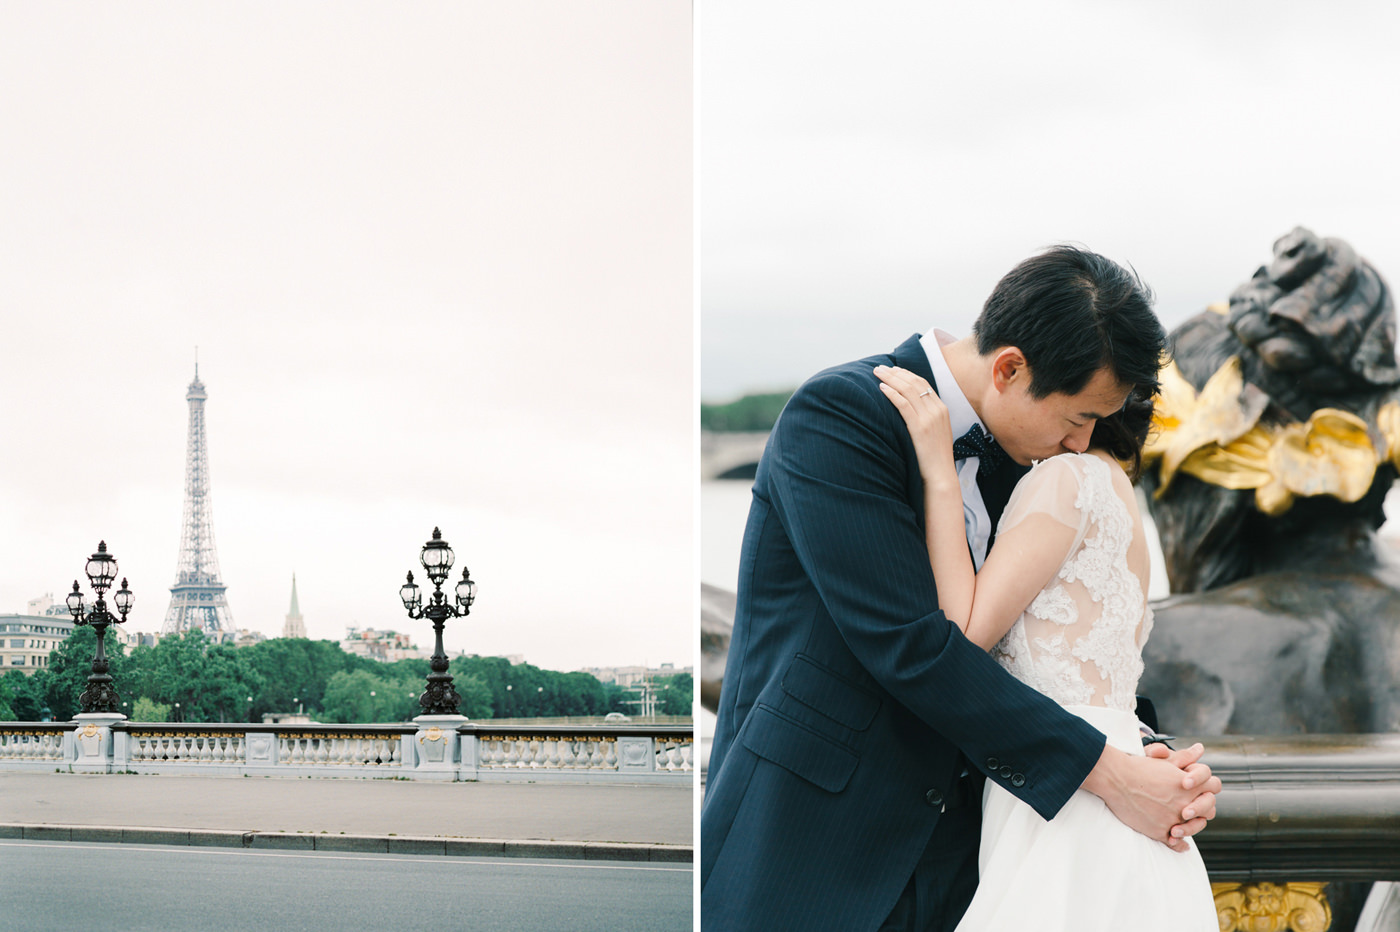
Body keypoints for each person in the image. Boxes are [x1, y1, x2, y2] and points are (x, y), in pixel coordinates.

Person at [701, 245, 1220, 932]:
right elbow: (912, 647)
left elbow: (1061, 633)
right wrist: (1111, 774)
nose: (1082, 443)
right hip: (816, 848)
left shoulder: (1043, 466)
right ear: (1010, 368)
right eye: (1075, 419)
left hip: (978, 863)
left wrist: (1146, 755)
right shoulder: (841, 418)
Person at [874, 365, 1217, 930]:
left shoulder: (1067, 477)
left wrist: (937, 472)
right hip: (1108, 763)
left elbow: (962, 635)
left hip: (1067, 787)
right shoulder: (1115, 489)